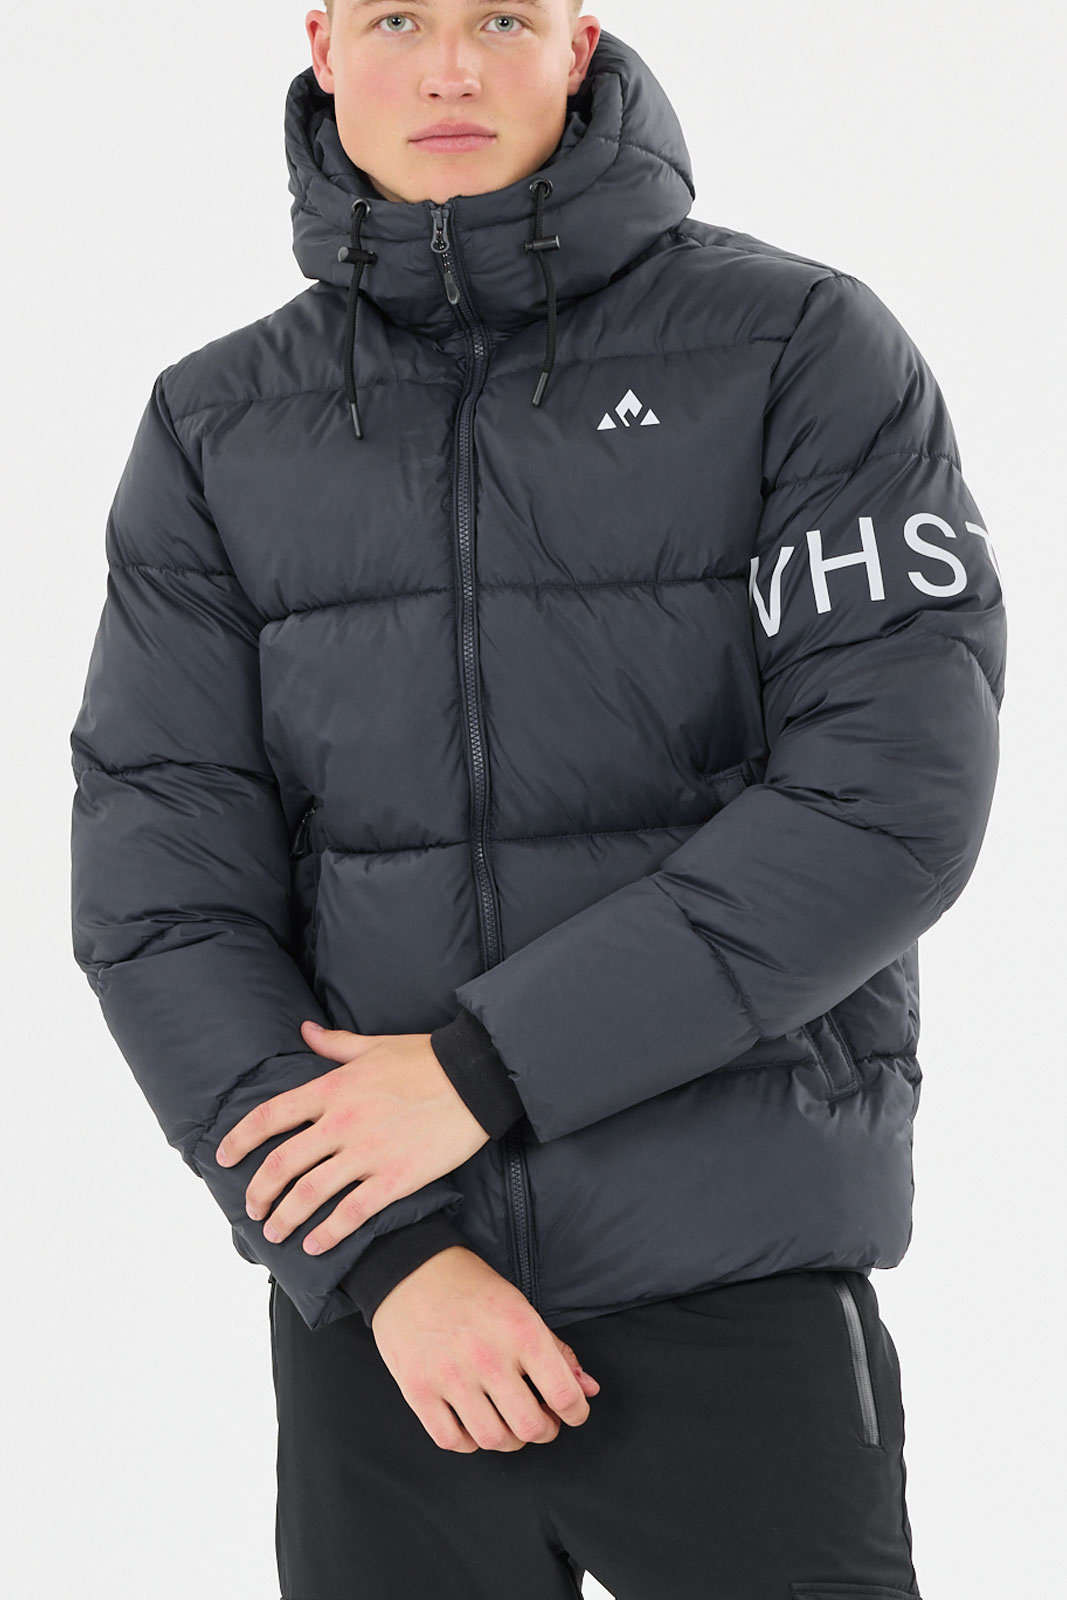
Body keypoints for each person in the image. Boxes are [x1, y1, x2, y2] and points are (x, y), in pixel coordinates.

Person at [69, 3, 1006, 1597]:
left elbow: (887, 804)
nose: (450, 64)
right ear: (324, 46)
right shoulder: (214, 427)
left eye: (503, 15)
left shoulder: (800, 349)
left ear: (578, 41)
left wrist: (483, 1070)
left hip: (738, 1295)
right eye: (399, 18)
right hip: (386, 1337)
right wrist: (383, 1261)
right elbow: (163, 900)